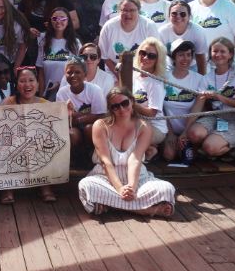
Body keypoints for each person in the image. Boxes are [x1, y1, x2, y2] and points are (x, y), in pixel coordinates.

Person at [78, 87, 176, 217]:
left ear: (131, 102)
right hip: (105, 176)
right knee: (86, 186)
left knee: (167, 189)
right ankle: (146, 210)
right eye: (115, 106)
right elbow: (105, 161)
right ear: (110, 109)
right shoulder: (100, 125)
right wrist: (120, 189)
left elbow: (135, 159)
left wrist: (131, 188)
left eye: (124, 103)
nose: (121, 109)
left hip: (137, 176)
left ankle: (110, 204)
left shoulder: (143, 126)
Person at [0, 67, 56, 203]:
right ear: (16, 85)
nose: (27, 85)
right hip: (14, 144)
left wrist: (68, 110)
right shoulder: (8, 102)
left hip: (37, 143)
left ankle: (45, 186)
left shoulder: (46, 104)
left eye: (31, 80)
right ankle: (7, 189)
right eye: (22, 81)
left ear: (37, 85)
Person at [187, 37, 235, 160]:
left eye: (222, 51)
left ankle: (232, 149)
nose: (218, 55)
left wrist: (218, 96)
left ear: (230, 54)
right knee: (193, 134)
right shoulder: (206, 78)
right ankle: (214, 147)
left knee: (210, 147)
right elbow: (198, 106)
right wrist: (184, 132)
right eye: (215, 51)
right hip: (215, 116)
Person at [18, 0, 80, 67]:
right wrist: (27, 30)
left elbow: (76, 22)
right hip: (32, 47)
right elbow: (18, 22)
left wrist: (57, 28)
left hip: (58, 46)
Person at [162, 39, 209, 162]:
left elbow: (198, 109)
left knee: (188, 158)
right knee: (169, 155)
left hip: (190, 129)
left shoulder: (199, 79)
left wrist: (185, 133)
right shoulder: (164, 78)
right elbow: (160, 108)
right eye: (181, 55)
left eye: (188, 55)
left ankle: (195, 146)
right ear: (173, 57)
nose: (185, 59)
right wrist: (170, 133)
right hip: (169, 129)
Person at [57, 57, 107, 162]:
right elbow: (60, 120)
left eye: (77, 72)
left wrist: (78, 117)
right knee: (72, 135)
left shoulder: (95, 90)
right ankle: (75, 159)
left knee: (90, 129)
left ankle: (93, 156)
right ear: (65, 75)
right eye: (69, 72)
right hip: (73, 127)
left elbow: (102, 115)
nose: (73, 75)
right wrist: (69, 113)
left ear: (85, 74)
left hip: (91, 126)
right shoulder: (62, 93)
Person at [99, 0, 159, 72]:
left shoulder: (149, 26)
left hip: (143, 71)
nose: (128, 14)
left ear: (138, 11)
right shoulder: (109, 27)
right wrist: (120, 77)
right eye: (124, 10)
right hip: (114, 71)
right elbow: (104, 57)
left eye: (132, 10)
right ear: (119, 11)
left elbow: (155, 54)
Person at [131, 38, 169, 161]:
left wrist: (131, 103)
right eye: (143, 53)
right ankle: (149, 149)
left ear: (158, 60)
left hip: (155, 127)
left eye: (151, 56)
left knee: (126, 137)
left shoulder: (155, 83)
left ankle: (148, 148)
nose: (145, 58)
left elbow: (152, 113)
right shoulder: (133, 75)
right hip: (138, 123)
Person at [36, 7, 81, 99]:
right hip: (48, 94)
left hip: (69, 94)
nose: (58, 21)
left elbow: (80, 72)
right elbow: (41, 72)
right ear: (50, 21)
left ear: (68, 21)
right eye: (55, 18)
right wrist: (41, 96)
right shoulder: (43, 41)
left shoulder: (75, 43)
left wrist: (61, 84)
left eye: (62, 18)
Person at [159, 1, 207, 74]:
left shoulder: (198, 31)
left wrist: (201, 79)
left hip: (192, 67)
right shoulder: (162, 32)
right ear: (169, 16)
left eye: (183, 14)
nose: (178, 16)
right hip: (170, 67)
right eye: (174, 14)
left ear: (189, 17)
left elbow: (200, 58)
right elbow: (159, 57)